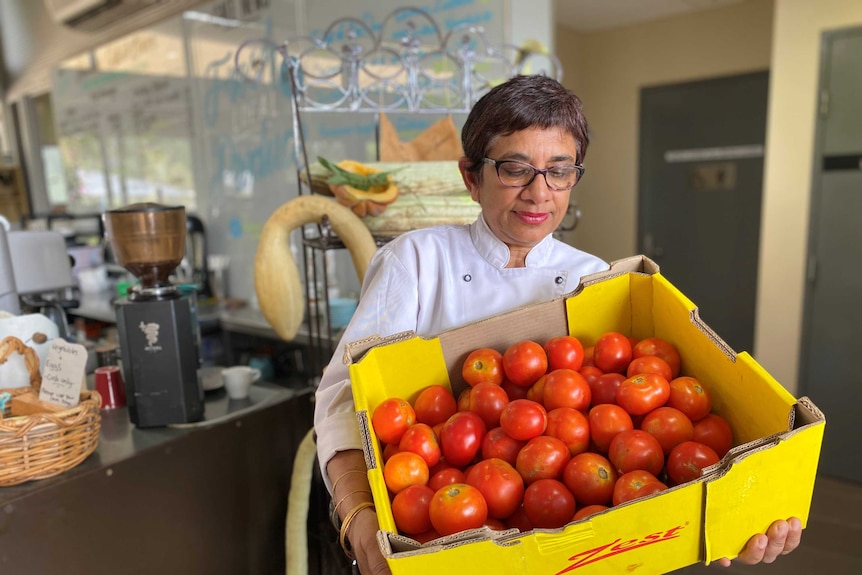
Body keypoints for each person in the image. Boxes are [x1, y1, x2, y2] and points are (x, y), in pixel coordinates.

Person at [313, 74, 802, 575]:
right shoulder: (415, 261)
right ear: (470, 176)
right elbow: (339, 400)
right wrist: (359, 515)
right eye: (515, 169)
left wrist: (729, 515)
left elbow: (626, 461)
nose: (538, 193)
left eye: (559, 171)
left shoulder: (595, 280)